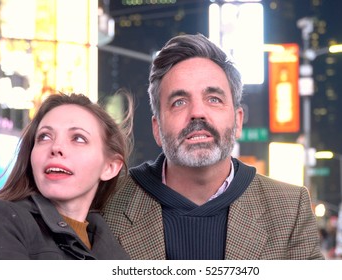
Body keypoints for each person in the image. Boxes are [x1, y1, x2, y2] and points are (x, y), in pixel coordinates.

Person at [102, 33, 325, 260]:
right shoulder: (106, 202)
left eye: (214, 99)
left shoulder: (289, 208)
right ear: (157, 128)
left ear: (238, 121)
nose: (197, 113)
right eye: (179, 102)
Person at [0, 92, 133, 260]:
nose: (56, 147)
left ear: (110, 167)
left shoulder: (112, 244)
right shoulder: (0, 219)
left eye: (78, 138)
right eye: (45, 137)